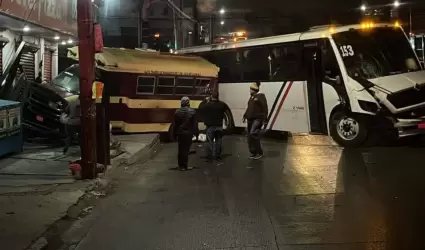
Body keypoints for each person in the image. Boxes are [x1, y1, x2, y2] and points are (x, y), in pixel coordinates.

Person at [243, 81, 268, 160]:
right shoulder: (252, 97)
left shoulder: (261, 96)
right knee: (249, 135)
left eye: (251, 89)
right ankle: (253, 152)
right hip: (250, 119)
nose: (250, 90)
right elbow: (249, 108)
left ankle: (259, 152)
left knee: (253, 133)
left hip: (258, 118)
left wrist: (265, 119)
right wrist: (245, 115)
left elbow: (264, 108)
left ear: (254, 90)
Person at [198, 92, 227, 160]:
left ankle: (209, 155)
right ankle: (218, 155)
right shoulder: (222, 104)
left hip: (210, 126)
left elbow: (200, 107)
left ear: (211, 96)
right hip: (219, 125)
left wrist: (205, 100)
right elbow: (225, 110)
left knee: (209, 141)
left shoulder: (208, 105)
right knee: (218, 141)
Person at [173, 96, 198, 171]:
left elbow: (175, 125)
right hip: (188, 133)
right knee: (186, 150)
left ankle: (181, 165)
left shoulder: (177, 112)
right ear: (188, 103)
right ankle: (184, 165)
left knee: (180, 149)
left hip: (180, 133)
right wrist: (196, 133)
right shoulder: (192, 111)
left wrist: (174, 134)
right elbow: (194, 124)